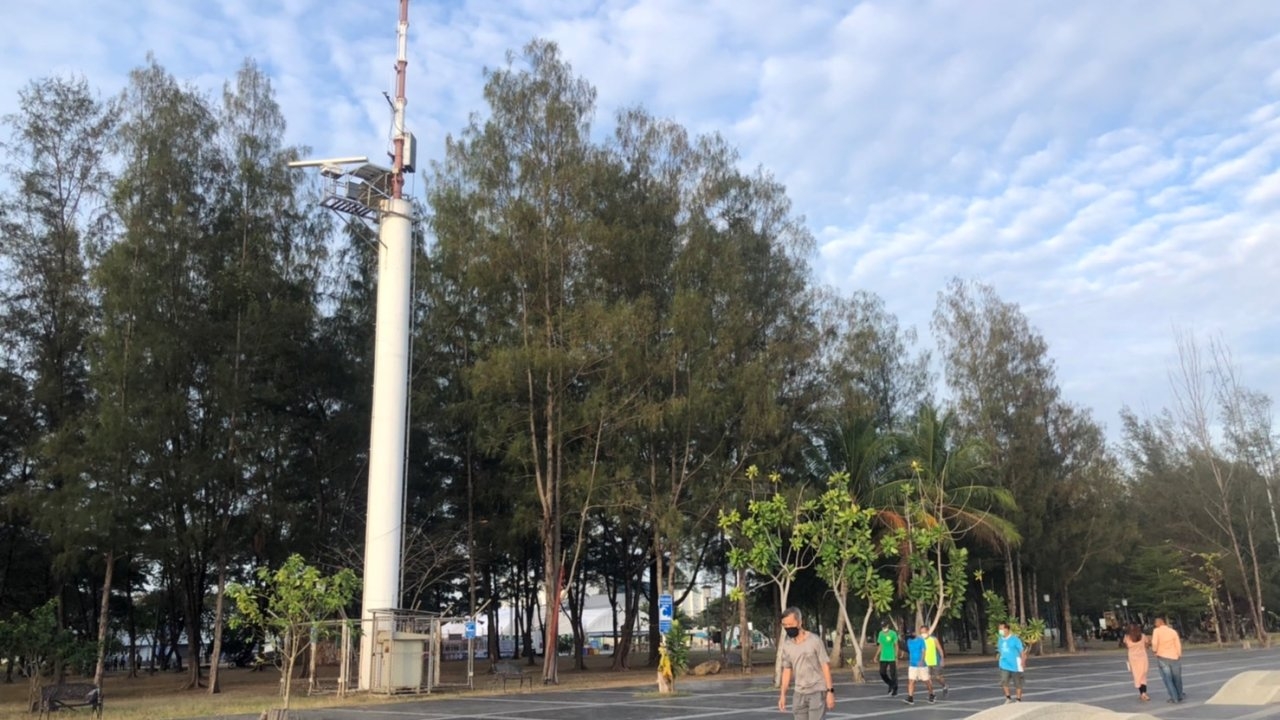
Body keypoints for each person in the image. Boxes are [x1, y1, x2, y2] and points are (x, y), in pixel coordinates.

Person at [777, 607, 835, 719]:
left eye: (790, 624)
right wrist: (783, 695)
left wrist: (830, 691)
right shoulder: (787, 645)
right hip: (799, 693)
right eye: (785, 625)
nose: (788, 628)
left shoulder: (814, 640)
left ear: (799, 622)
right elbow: (787, 670)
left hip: (817, 691)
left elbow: (825, 666)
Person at [1150, 617, 1184, 703]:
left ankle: (1174, 697)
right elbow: (1177, 643)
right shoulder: (1172, 631)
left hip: (1162, 657)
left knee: (1168, 678)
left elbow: (1154, 643)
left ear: (1158, 623)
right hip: (1174, 656)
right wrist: (1179, 654)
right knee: (1177, 677)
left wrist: (1154, 650)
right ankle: (1180, 695)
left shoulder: (1156, 631)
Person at [1119, 622, 1151, 701]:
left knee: (1137, 675)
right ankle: (1144, 693)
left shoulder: (1127, 637)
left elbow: (1126, 646)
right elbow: (1147, 646)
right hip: (1142, 657)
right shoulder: (1143, 636)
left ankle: (1142, 693)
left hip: (1133, 658)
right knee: (1143, 675)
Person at [996, 622, 1027, 703]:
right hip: (1004, 664)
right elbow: (1000, 650)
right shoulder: (1000, 640)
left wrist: (1023, 662)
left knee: (1017, 682)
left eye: (1002, 629)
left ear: (1007, 629)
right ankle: (1008, 697)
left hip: (1015, 664)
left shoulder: (1015, 639)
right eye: (999, 629)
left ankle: (1018, 699)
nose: (1000, 630)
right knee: (1004, 680)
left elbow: (1022, 652)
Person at [904, 625, 935, 704]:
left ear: (914, 633)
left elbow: (924, 651)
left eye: (910, 634)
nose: (909, 635)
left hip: (921, 665)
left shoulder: (921, 640)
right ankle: (910, 697)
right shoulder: (908, 641)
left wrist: (921, 660)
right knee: (911, 681)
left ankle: (931, 694)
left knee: (926, 681)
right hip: (912, 664)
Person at [876, 621, 899, 696]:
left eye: (885, 627)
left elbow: (896, 645)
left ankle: (895, 689)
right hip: (883, 657)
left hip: (891, 656)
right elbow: (880, 645)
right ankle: (891, 684)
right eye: (882, 627)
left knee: (893, 674)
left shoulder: (893, 633)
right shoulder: (880, 633)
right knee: (882, 673)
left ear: (888, 626)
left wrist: (896, 656)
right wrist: (876, 655)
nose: (884, 628)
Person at [924, 627, 948, 698]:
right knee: (927, 678)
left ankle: (944, 685)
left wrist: (942, 659)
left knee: (937, 677)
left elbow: (940, 649)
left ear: (928, 631)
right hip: (926, 662)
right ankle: (931, 693)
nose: (923, 634)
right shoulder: (921, 640)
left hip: (935, 661)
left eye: (924, 632)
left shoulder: (934, 639)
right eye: (921, 632)